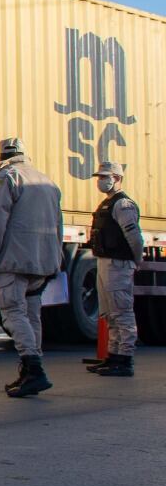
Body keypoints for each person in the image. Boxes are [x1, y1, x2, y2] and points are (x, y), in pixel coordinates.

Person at [0, 137, 64, 398]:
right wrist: (55, 261)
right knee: (32, 315)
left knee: (13, 312)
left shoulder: (7, 177)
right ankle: (31, 369)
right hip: (42, 263)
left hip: (13, 261)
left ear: (1, 155)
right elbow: (58, 226)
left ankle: (33, 370)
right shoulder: (47, 182)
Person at [85, 161, 142, 377]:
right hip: (105, 262)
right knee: (109, 314)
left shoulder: (123, 205)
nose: (100, 181)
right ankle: (113, 357)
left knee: (122, 312)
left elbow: (134, 238)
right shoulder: (107, 204)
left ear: (117, 178)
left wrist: (136, 260)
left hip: (118, 264)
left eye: (105, 176)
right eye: (99, 177)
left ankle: (125, 360)